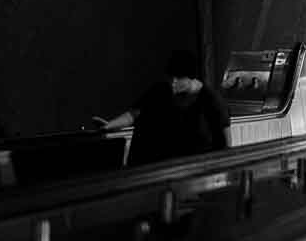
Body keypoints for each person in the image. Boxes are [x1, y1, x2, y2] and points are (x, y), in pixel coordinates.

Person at [92, 50, 228, 167]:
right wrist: (109, 126)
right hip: (158, 165)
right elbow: (132, 115)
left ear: (192, 78)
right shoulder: (160, 91)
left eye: (179, 77)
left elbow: (225, 146)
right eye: (171, 77)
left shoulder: (211, 100)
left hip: (193, 168)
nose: (173, 82)